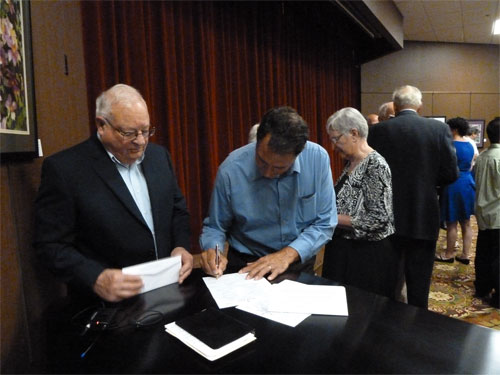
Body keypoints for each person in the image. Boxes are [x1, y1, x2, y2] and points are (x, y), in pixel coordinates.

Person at [34, 84, 193, 304]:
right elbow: (50, 245)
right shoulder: (65, 170)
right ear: (101, 125)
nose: (141, 141)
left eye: (146, 131)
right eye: (129, 133)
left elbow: (177, 210)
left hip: (167, 293)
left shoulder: (159, 157)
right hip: (108, 307)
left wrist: (181, 245)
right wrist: (95, 277)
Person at [200, 106, 337, 281]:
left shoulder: (317, 159)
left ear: (298, 154)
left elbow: (325, 222)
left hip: (298, 262)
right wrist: (213, 251)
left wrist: (287, 255)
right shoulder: (231, 170)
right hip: (247, 266)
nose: (267, 173)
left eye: (280, 168)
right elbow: (215, 227)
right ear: (256, 142)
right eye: (262, 162)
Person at [367, 85, 458, 309]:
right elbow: (451, 173)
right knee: (419, 285)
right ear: (420, 106)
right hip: (423, 213)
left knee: (386, 283)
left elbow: (370, 174)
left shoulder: (378, 131)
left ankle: (384, 329)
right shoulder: (439, 130)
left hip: (386, 216)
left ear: (395, 106)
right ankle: (418, 332)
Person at [322, 107, 397, 298]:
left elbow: (378, 219)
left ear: (354, 133)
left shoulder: (375, 165)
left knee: (360, 316)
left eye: (336, 139)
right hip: (346, 253)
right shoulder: (352, 163)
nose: (333, 146)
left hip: (364, 258)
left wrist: (330, 217)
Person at [435, 117, 476, 264]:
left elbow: (444, 167)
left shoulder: (450, 145)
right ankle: (465, 255)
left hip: (453, 183)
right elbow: (471, 165)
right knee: (466, 222)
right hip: (468, 183)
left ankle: (449, 253)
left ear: (455, 129)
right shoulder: (470, 145)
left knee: (451, 222)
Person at [473, 117, 500, 308]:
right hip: (498, 214)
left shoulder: (482, 156)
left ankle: (482, 287)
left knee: (483, 253)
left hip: (483, 213)